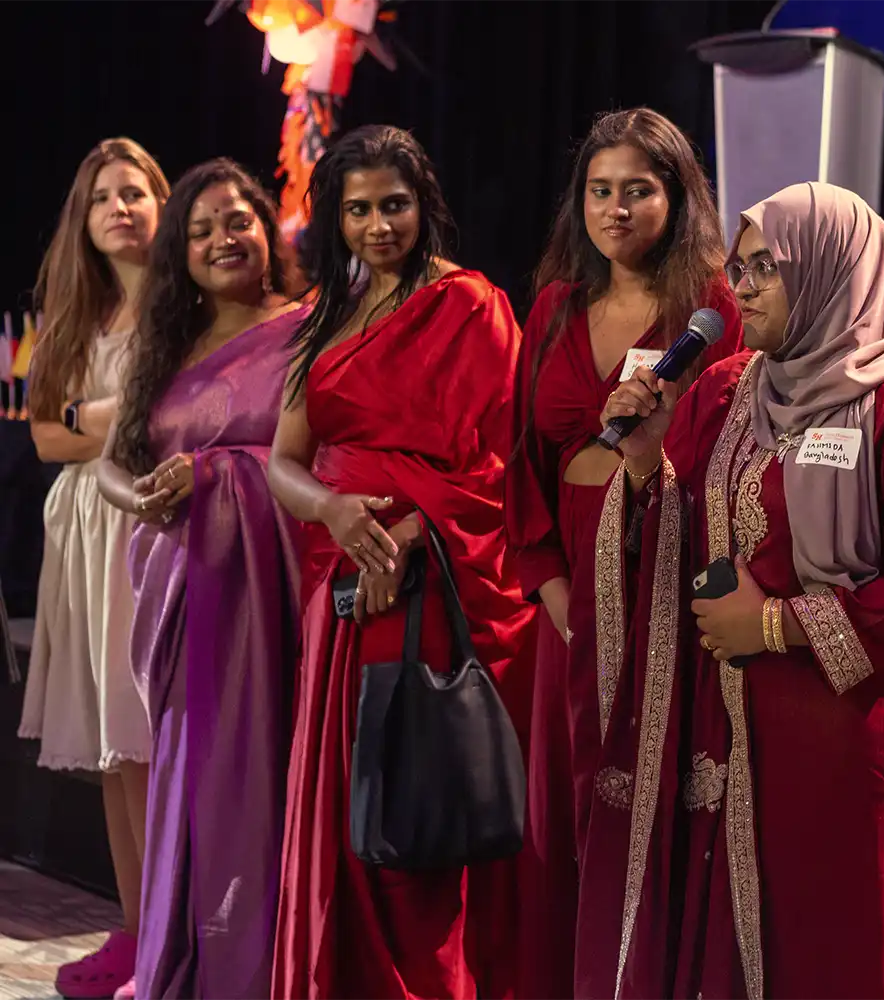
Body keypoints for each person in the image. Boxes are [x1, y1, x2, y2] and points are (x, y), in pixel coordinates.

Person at [580, 181, 884, 1000]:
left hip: (847, 739)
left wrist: (775, 623)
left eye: (766, 267)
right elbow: (677, 526)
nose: (742, 288)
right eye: (738, 267)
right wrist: (649, 458)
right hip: (729, 734)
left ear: (832, 271)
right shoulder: (726, 390)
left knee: (834, 955)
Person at [268, 124, 535, 1000]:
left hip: (425, 582)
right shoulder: (330, 317)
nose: (379, 225)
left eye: (394, 205)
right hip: (337, 580)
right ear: (334, 219)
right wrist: (337, 514)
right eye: (358, 210)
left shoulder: (471, 305)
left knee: (413, 802)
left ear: (425, 205)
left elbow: (501, 458)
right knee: (352, 804)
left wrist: (408, 536)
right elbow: (283, 461)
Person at [504, 107, 743, 999]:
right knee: (564, 803)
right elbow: (521, 460)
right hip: (568, 591)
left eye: (636, 191)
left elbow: (737, 449)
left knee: (656, 790)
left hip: (667, 578)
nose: (615, 209)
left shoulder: (714, 309)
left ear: (677, 197)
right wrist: (550, 585)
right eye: (599, 191)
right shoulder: (556, 308)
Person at [96, 159, 302, 1000]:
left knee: (263, 780)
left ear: (268, 230)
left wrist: (216, 474)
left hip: (271, 593)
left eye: (239, 220)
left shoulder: (306, 325)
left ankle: (260, 969)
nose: (224, 238)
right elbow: (117, 464)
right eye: (203, 228)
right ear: (179, 253)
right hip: (181, 593)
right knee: (189, 775)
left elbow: (309, 458)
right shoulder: (168, 343)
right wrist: (143, 491)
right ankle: (190, 958)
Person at [18, 137, 169, 1000]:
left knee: (145, 741)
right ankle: (133, 925)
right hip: (79, 533)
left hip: (139, 524)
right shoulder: (76, 313)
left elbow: (166, 411)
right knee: (114, 758)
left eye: (135, 192)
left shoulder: (179, 308)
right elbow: (44, 435)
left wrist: (90, 414)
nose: (119, 207)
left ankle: (167, 935)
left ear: (159, 203)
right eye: (104, 196)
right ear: (84, 218)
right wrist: (100, 414)